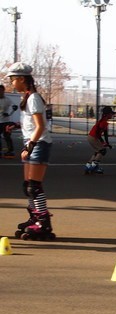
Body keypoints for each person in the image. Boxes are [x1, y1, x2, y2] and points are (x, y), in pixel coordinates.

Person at [6, 62, 55, 240]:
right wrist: (16, 125)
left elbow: (40, 126)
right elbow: (32, 123)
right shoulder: (27, 97)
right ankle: (35, 217)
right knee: (28, 187)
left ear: (21, 78)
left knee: (34, 186)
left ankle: (43, 222)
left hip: (39, 144)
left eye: (12, 79)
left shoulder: (33, 97)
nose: (12, 83)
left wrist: (30, 146)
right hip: (33, 142)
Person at [85, 106, 115, 174]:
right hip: (93, 137)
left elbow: (105, 134)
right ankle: (93, 167)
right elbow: (98, 133)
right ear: (107, 114)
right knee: (102, 151)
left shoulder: (104, 122)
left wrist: (107, 143)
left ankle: (87, 166)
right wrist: (102, 142)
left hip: (91, 137)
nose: (112, 115)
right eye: (111, 113)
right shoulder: (103, 122)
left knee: (97, 152)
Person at [0, 84, 16, 157]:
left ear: (3, 91)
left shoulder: (7, 99)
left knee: (7, 136)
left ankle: (10, 151)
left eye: (1, 91)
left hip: (5, 121)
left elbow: (14, 106)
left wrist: (9, 113)